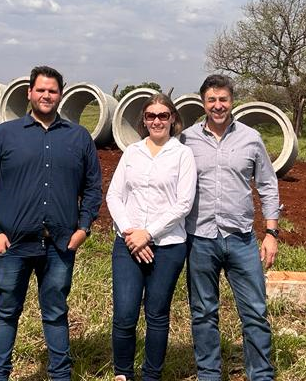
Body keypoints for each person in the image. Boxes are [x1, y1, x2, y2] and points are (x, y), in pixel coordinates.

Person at [0, 65, 102, 381]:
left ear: (60, 95)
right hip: (12, 243)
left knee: (56, 313)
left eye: (52, 91)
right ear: (29, 93)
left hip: (59, 244)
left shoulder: (78, 137)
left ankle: (60, 375)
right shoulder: (5, 134)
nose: (46, 95)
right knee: (6, 312)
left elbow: (93, 187)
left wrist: (83, 228)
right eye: (40, 90)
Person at [183, 74, 281, 381]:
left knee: (254, 311)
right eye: (211, 100)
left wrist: (271, 232)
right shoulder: (186, 139)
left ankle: (261, 374)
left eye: (223, 99)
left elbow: (267, 185)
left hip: (241, 239)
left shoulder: (250, 138)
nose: (217, 105)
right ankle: (209, 373)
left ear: (231, 101)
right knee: (203, 313)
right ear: (203, 103)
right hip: (199, 239)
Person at [105, 93, 196, 381]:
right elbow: (114, 195)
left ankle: (151, 375)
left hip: (167, 246)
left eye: (163, 115)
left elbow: (184, 203)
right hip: (127, 244)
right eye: (151, 116)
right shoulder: (132, 152)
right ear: (144, 121)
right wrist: (132, 234)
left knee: (157, 314)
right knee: (124, 314)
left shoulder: (183, 154)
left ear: (173, 120)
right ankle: (123, 373)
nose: (157, 121)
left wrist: (149, 233)